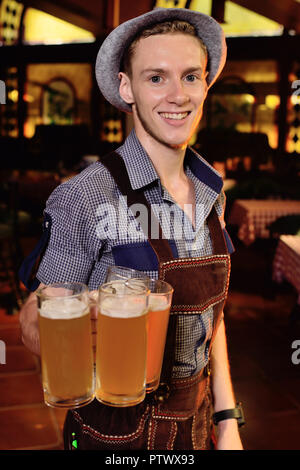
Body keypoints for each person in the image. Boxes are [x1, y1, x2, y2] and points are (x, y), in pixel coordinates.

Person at [19, 8, 244, 450]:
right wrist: (61, 325)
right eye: (156, 78)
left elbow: (213, 320)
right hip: (116, 435)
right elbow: (37, 315)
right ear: (127, 88)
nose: (176, 95)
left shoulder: (212, 190)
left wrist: (228, 420)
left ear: (205, 84)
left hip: (196, 430)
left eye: (190, 76)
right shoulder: (85, 195)